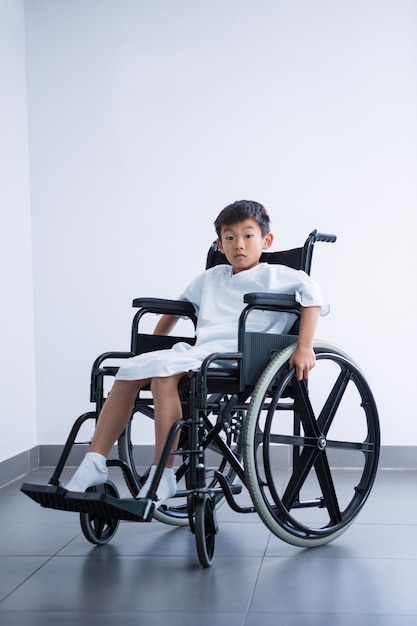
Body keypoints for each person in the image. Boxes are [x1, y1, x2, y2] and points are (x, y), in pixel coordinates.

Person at [65, 200, 329, 507]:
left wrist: (304, 346)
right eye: (229, 238)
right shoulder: (210, 278)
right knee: (129, 373)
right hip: (201, 351)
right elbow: (177, 308)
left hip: (242, 354)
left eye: (247, 236)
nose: (238, 245)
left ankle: (163, 472)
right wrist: (150, 350)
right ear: (220, 244)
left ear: (266, 241)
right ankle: (94, 463)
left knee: (164, 378)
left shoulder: (277, 274)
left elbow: (312, 296)